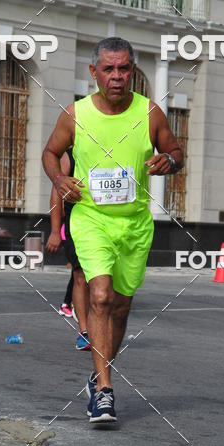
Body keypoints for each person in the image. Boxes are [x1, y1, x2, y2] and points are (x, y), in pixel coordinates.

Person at [42, 37, 183, 424]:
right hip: (90, 218)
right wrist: (59, 180)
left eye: (124, 69)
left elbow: (176, 151)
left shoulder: (150, 112)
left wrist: (168, 160)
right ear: (94, 73)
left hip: (135, 224)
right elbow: (50, 153)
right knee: (100, 296)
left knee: (120, 307)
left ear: (132, 71)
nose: (117, 77)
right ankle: (105, 390)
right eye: (109, 69)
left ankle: (97, 374)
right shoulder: (75, 114)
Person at [46, 147, 90, 350]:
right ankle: (85, 332)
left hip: (113, 223)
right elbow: (57, 193)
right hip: (79, 224)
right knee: (80, 275)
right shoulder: (70, 155)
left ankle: (104, 325)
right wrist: (55, 231)